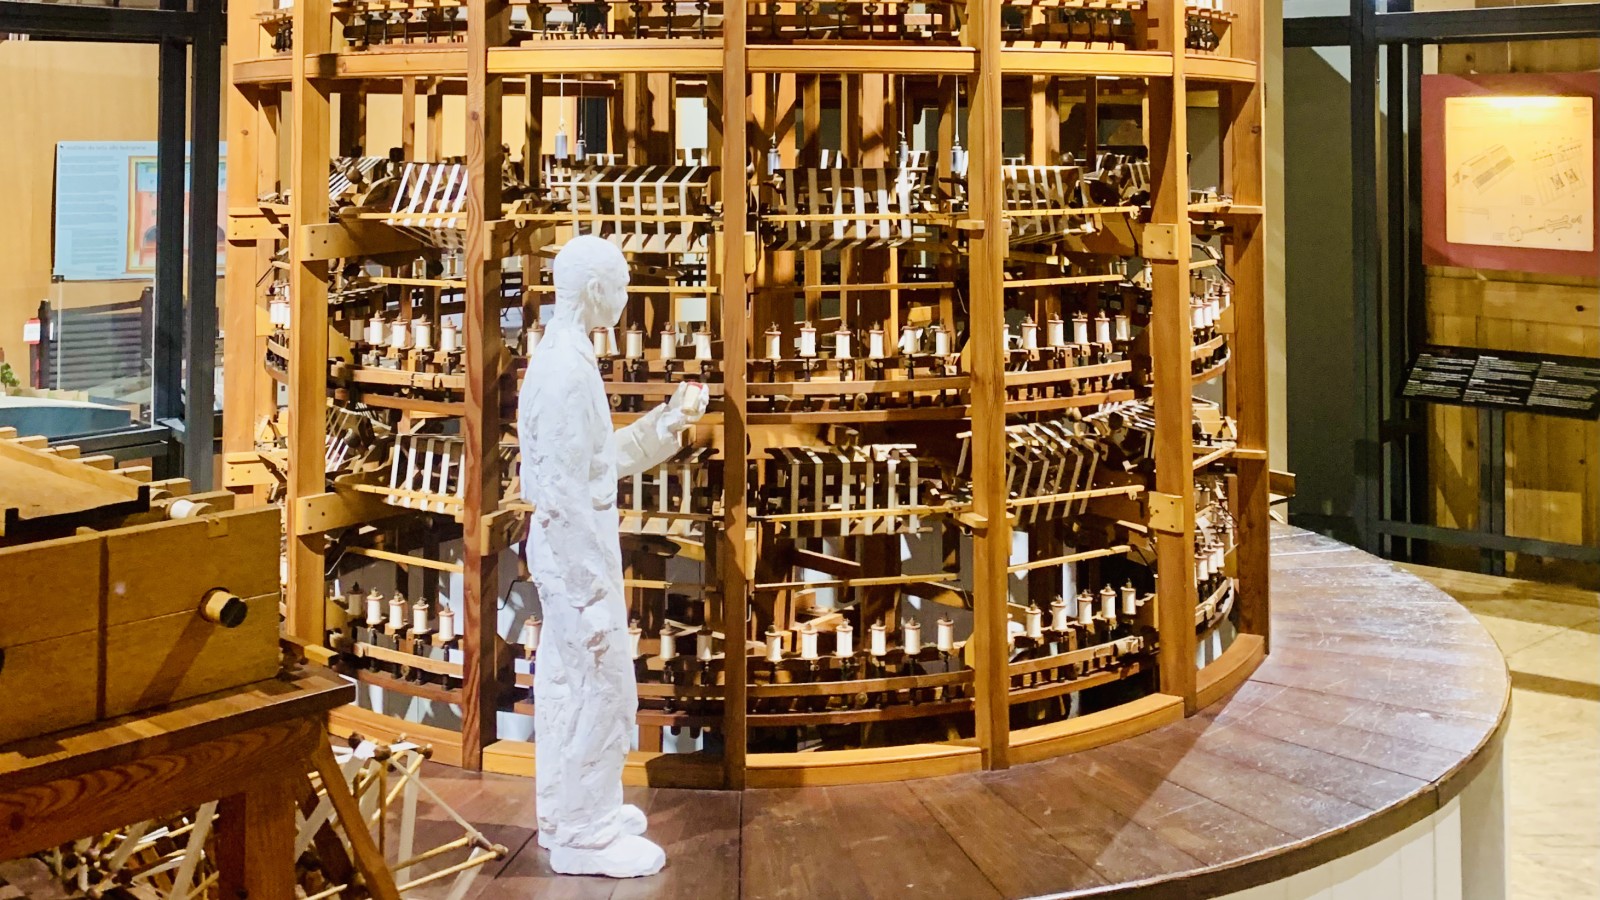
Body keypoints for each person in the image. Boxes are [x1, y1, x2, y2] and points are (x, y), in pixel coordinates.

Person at [517, 235, 707, 878]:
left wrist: (667, 424)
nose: (627, 298)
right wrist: (590, 595)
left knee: (570, 683)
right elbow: (566, 493)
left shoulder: (568, 357)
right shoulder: (566, 369)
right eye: (623, 285)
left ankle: (568, 813)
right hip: (576, 561)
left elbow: (597, 466)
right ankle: (588, 834)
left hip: (571, 554)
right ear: (597, 290)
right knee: (600, 684)